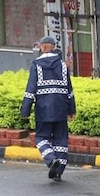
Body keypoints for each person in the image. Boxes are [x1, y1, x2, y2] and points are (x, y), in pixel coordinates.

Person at [21, 35, 76, 181]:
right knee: (61, 139)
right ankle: (59, 171)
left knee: (41, 137)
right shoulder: (64, 66)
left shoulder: (36, 65)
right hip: (61, 107)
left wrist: (25, 110)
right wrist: (71, 110)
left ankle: (51, 160)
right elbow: (69, 90)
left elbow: (30, 89)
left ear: (44, 47)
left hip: (44, 109)